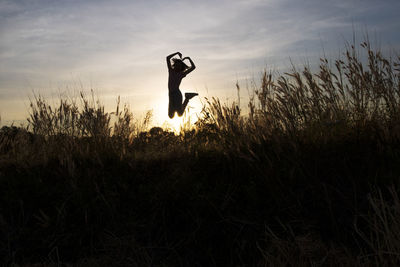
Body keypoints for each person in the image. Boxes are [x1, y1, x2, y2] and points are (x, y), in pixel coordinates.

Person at [166, 52, 198, 118]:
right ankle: (187, 97)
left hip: (177, 94)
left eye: (179, 66)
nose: (177, 66)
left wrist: (188, 58)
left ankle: (187, 98)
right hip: (171, 94)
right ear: (174, 65)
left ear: (181, 68)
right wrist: (177, 53)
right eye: (176, 65)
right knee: (170, 116)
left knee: (180, 114)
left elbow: (193, 67)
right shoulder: (171, 71)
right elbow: (167, 58)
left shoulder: (181, 74)